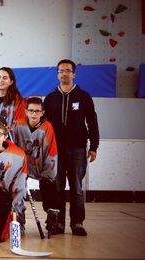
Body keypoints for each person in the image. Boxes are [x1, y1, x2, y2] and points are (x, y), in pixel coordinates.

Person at [43, 59, 99, 236]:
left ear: (74, 74)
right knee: (57, 187)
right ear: (57, 74)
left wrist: (94, 147)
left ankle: (77, 223)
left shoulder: (84, 97)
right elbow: (44, 126)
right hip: (55, 151)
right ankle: (59, 223)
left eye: (68, 71)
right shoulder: (50, 98)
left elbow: (92, 122)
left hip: (78, 149)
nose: (64, 74)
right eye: (61, 71)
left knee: (76, 188)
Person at [12, 97, 59, 235]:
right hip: (23, 165)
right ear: (26, 111)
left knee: (49, 187)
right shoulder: (18, 125)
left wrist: (48, 173)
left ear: (42, 113)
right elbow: (11, 146)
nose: (34, 114)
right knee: (17, 190)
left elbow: (51, 151)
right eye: (31, 110)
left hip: (40, 165)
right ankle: (19, 220)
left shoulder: (47, 127)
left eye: (37, 111)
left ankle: (52, 218)